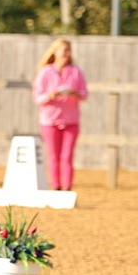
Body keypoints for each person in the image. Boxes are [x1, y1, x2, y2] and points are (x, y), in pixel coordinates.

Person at [33, 38, 87, 191]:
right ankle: (56, 186)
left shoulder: (75, 72)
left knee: (67, 155)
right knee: (53, 155)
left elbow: (84, 94)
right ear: (55, 52)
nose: (66, 54)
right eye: (63, 50)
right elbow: (38, 98)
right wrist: (51, 96)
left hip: (71, 120)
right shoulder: (45, 73)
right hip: (50, 120)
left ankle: (67, 186)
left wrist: (74, 93)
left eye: (68, 50)